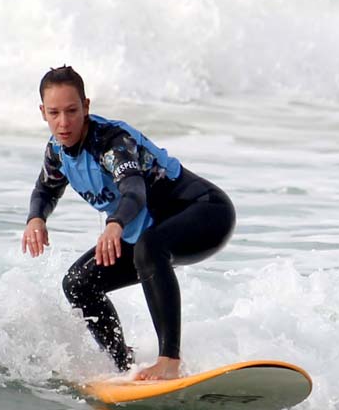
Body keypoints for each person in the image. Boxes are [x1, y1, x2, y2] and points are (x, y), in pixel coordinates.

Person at [21, 65, 236, 381]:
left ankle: (168, 362)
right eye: (54, 113)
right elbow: (46, 188)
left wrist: (115, 222)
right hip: (148, 227)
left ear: (87, 107)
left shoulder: (111, 142)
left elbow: (133, 189)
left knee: (150, 248)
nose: (63, 122)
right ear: (43, 112)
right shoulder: (57, 152)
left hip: (206, 212)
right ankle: (123, 363)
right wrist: (36, 218)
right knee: (79, 283)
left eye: (72, 110)